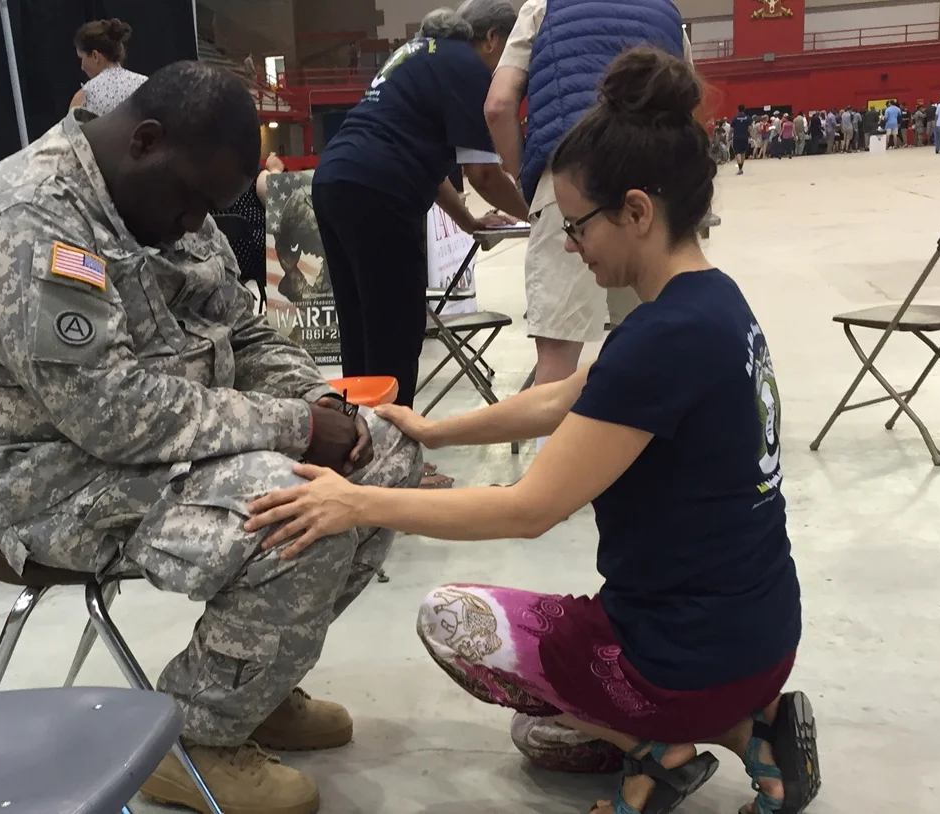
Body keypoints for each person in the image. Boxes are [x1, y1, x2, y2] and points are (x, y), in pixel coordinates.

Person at [245, 47, 819, 814]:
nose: (571, 246)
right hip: (762, 636)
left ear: (638, 212)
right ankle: (756, 726)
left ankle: (668, 746)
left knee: (454, 621)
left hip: (683, 657)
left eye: (577, 226)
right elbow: (562, 399)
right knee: (541, 738)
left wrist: (357, 504)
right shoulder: (711, 305)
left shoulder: (660, 340)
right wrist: (435, 430)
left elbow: (528, 508)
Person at [0, 62, 422, 814]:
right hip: (55, 477)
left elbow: (243, 331)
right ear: (144, 140)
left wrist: (321, 402)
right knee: (299, 511)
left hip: (165, 443)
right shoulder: (26, 217)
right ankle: (194, 740)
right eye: (191, 202)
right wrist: (293, 426)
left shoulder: (167, 193)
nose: (196, 223)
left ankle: (255, 683)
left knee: (383, 456)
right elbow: (111, 414)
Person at [482, 0, 688, 452]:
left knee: (558, 354)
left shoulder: (543, 7)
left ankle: (553, 488)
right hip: (652, 196)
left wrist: (532, 182)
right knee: (652, 341)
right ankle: (649, 464)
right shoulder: (668, 12)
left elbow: (498, 106)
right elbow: (685, 107)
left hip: (571, 182)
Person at [312, 1, 527, 417]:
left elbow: (428, 167)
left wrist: (468, 220)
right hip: (380, 191)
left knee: (360, 329)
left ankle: (356, 445)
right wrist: (538, 212)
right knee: (396, 334)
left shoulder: (419, 54)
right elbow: (483, 176)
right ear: (494, 39)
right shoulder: (469, 67)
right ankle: (392, 459)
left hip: (334, 180)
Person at [210, 152, 286, 310]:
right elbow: (282, 201)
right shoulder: (254, 176)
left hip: (216, 261)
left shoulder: (205, 177)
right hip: (257, 261)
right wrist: (275, 171)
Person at [69, 18, 147, 116]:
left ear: (95, 56)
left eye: (82, 58)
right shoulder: (145, 85)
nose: (82, 67)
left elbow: (72, 131)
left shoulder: (84, 97)